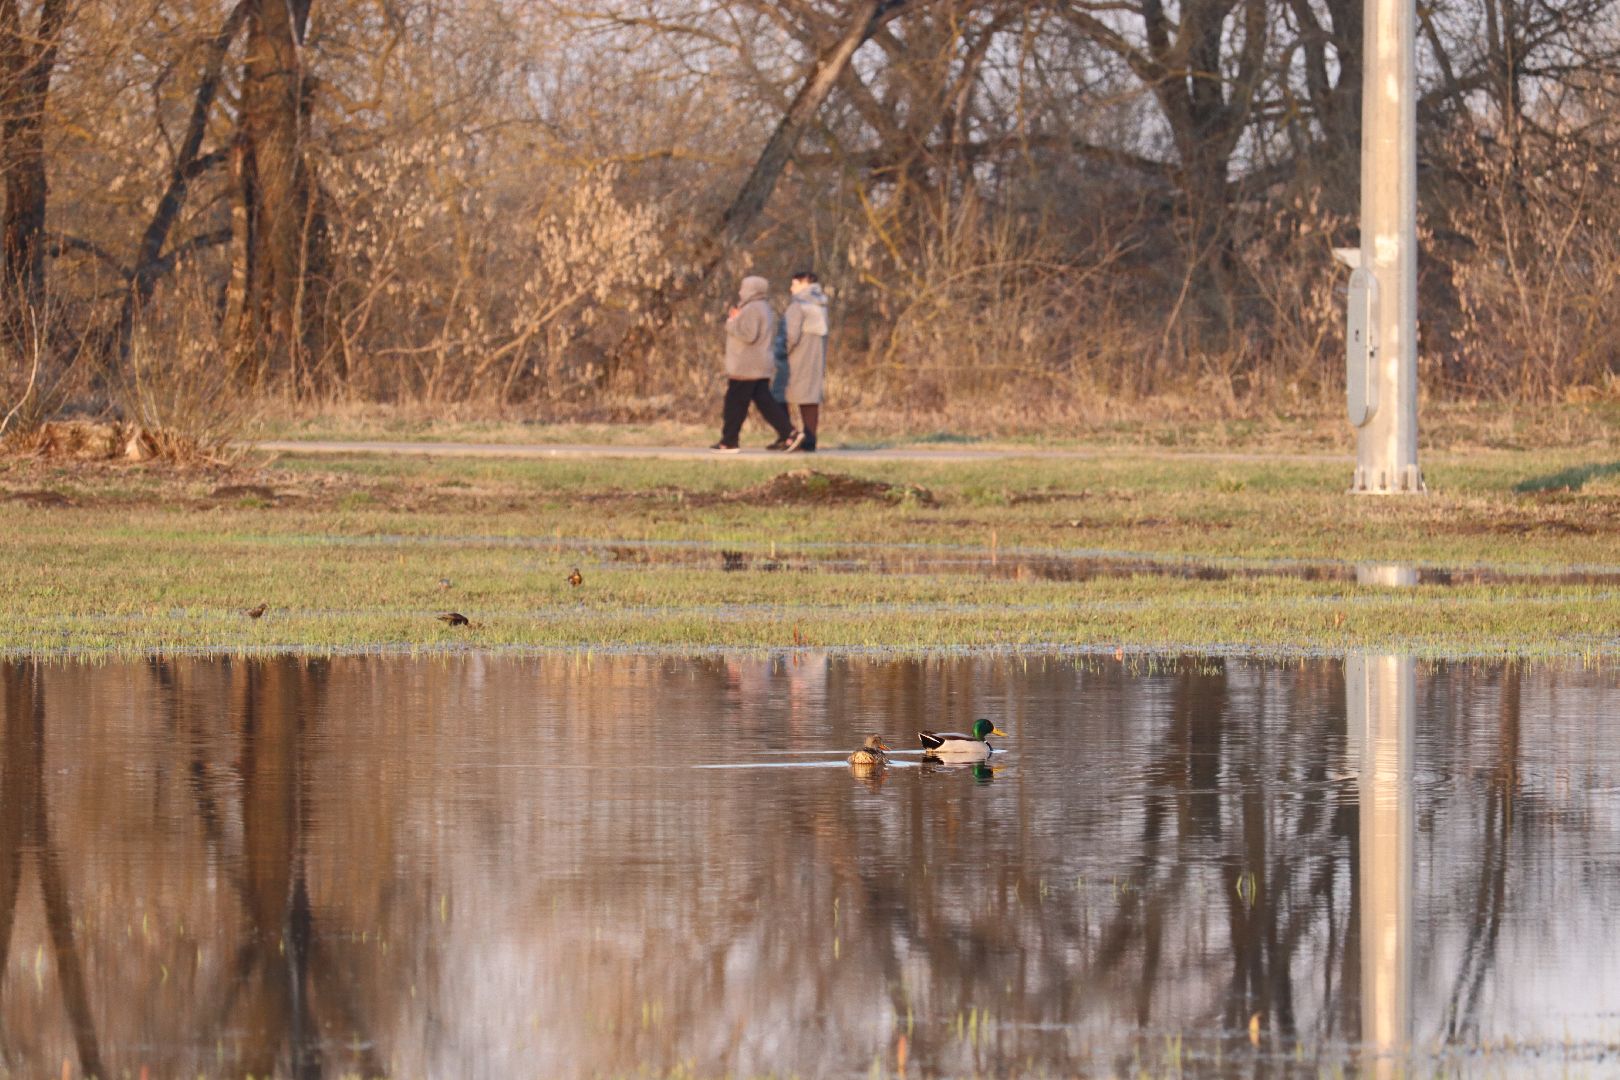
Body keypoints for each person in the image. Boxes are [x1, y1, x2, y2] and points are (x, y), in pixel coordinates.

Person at [712, 275, 796, 453]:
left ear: (752, 290)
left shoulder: (751, 308)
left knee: (734, 404)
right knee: (766, 403)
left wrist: (732, 321)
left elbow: (748, 335)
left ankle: (729, 441)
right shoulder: (764, 307)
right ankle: (790, 433)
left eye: (743, 288)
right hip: (758, 365)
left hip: (746, 367)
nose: (740, 291)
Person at [780, 270, 829, 452]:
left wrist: (779, 353)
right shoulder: (821, 304)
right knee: (810, 399)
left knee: (778, 395)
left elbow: (790, 336)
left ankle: (788, 435)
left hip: (798, 359)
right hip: (816, 358)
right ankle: (810, 438)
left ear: (804, 283)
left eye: (794, 284)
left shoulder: (799, 305)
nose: (791, 288)